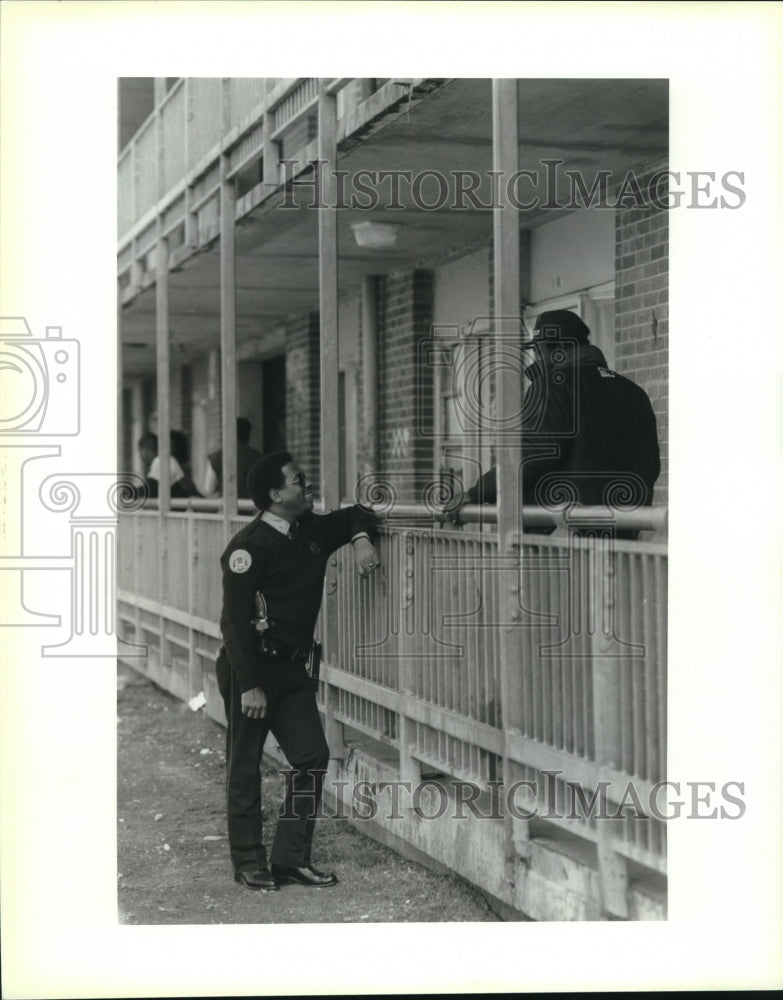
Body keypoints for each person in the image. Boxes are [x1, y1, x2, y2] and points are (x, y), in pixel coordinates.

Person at [216, 451, 379, 891]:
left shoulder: (308, 529)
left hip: (291, 671)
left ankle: (290, 859)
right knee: (245, 765)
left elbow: (357, 514)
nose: (306, 486)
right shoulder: (246, 549)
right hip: (250, 670)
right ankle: (248, 862)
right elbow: (233, 624)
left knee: (311, 756)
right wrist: (249, 686)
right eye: (298, 480)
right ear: (275, 495)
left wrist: (362, 538)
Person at [445, 309, 660, 539]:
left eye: (538, 351)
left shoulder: (554, 387)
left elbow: (529, 458)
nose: (537, 359)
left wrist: (475, 494)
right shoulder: (634, 392)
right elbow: (651, 465)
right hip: (627, 537)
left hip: (566, 537)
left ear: (557, 350)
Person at [203, 417, 263, 499]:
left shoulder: (216, 457)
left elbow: (208, 489)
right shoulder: (257, 456)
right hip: (250, 508)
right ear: (247, 433)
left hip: (225, 508)